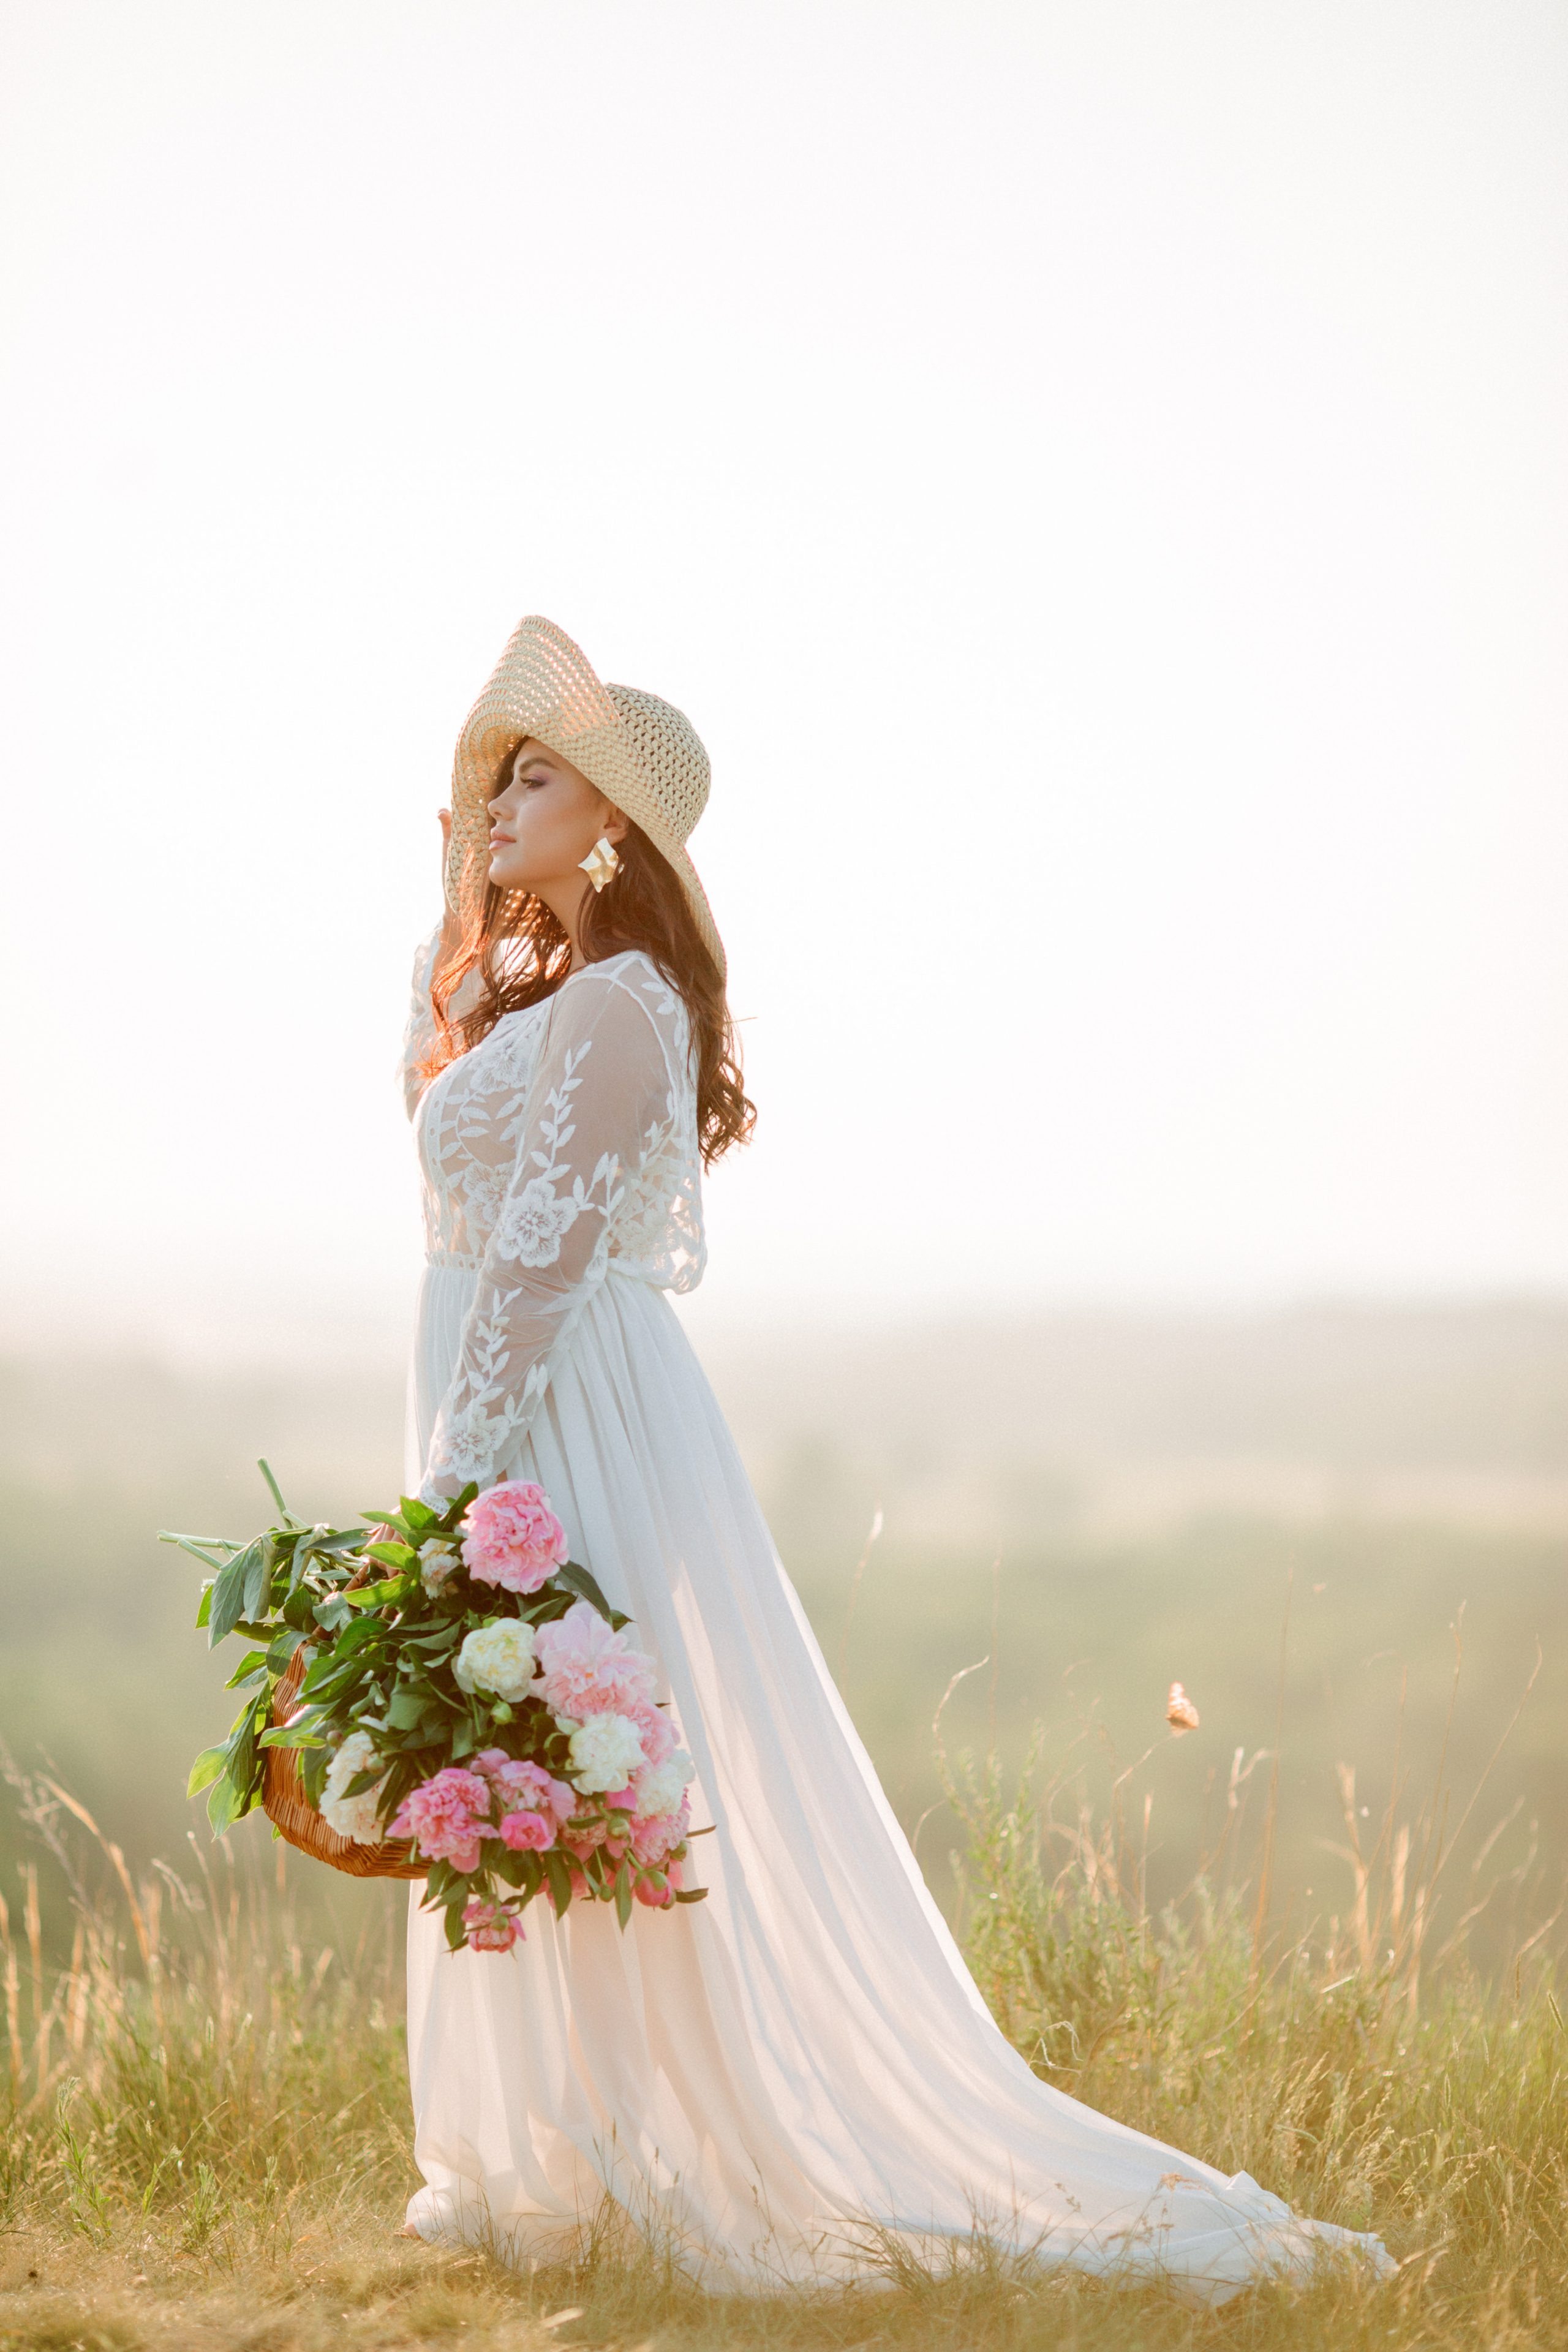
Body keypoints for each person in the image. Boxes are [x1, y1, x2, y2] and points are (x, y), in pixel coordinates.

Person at [396, 614, 1392, 2304]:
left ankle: (684, 2150)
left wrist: (449, 1500)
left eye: (535, 778)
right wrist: (453, 910)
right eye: (498, 778)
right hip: (507, 1399)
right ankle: (556, 2154)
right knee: (531, 1770)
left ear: (616, 821)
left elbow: (542, 1270)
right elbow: (436, 1144)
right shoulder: (536, 996)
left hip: (558, 1412)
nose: (500, 799)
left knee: (589, 1767)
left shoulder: (624, 1005)